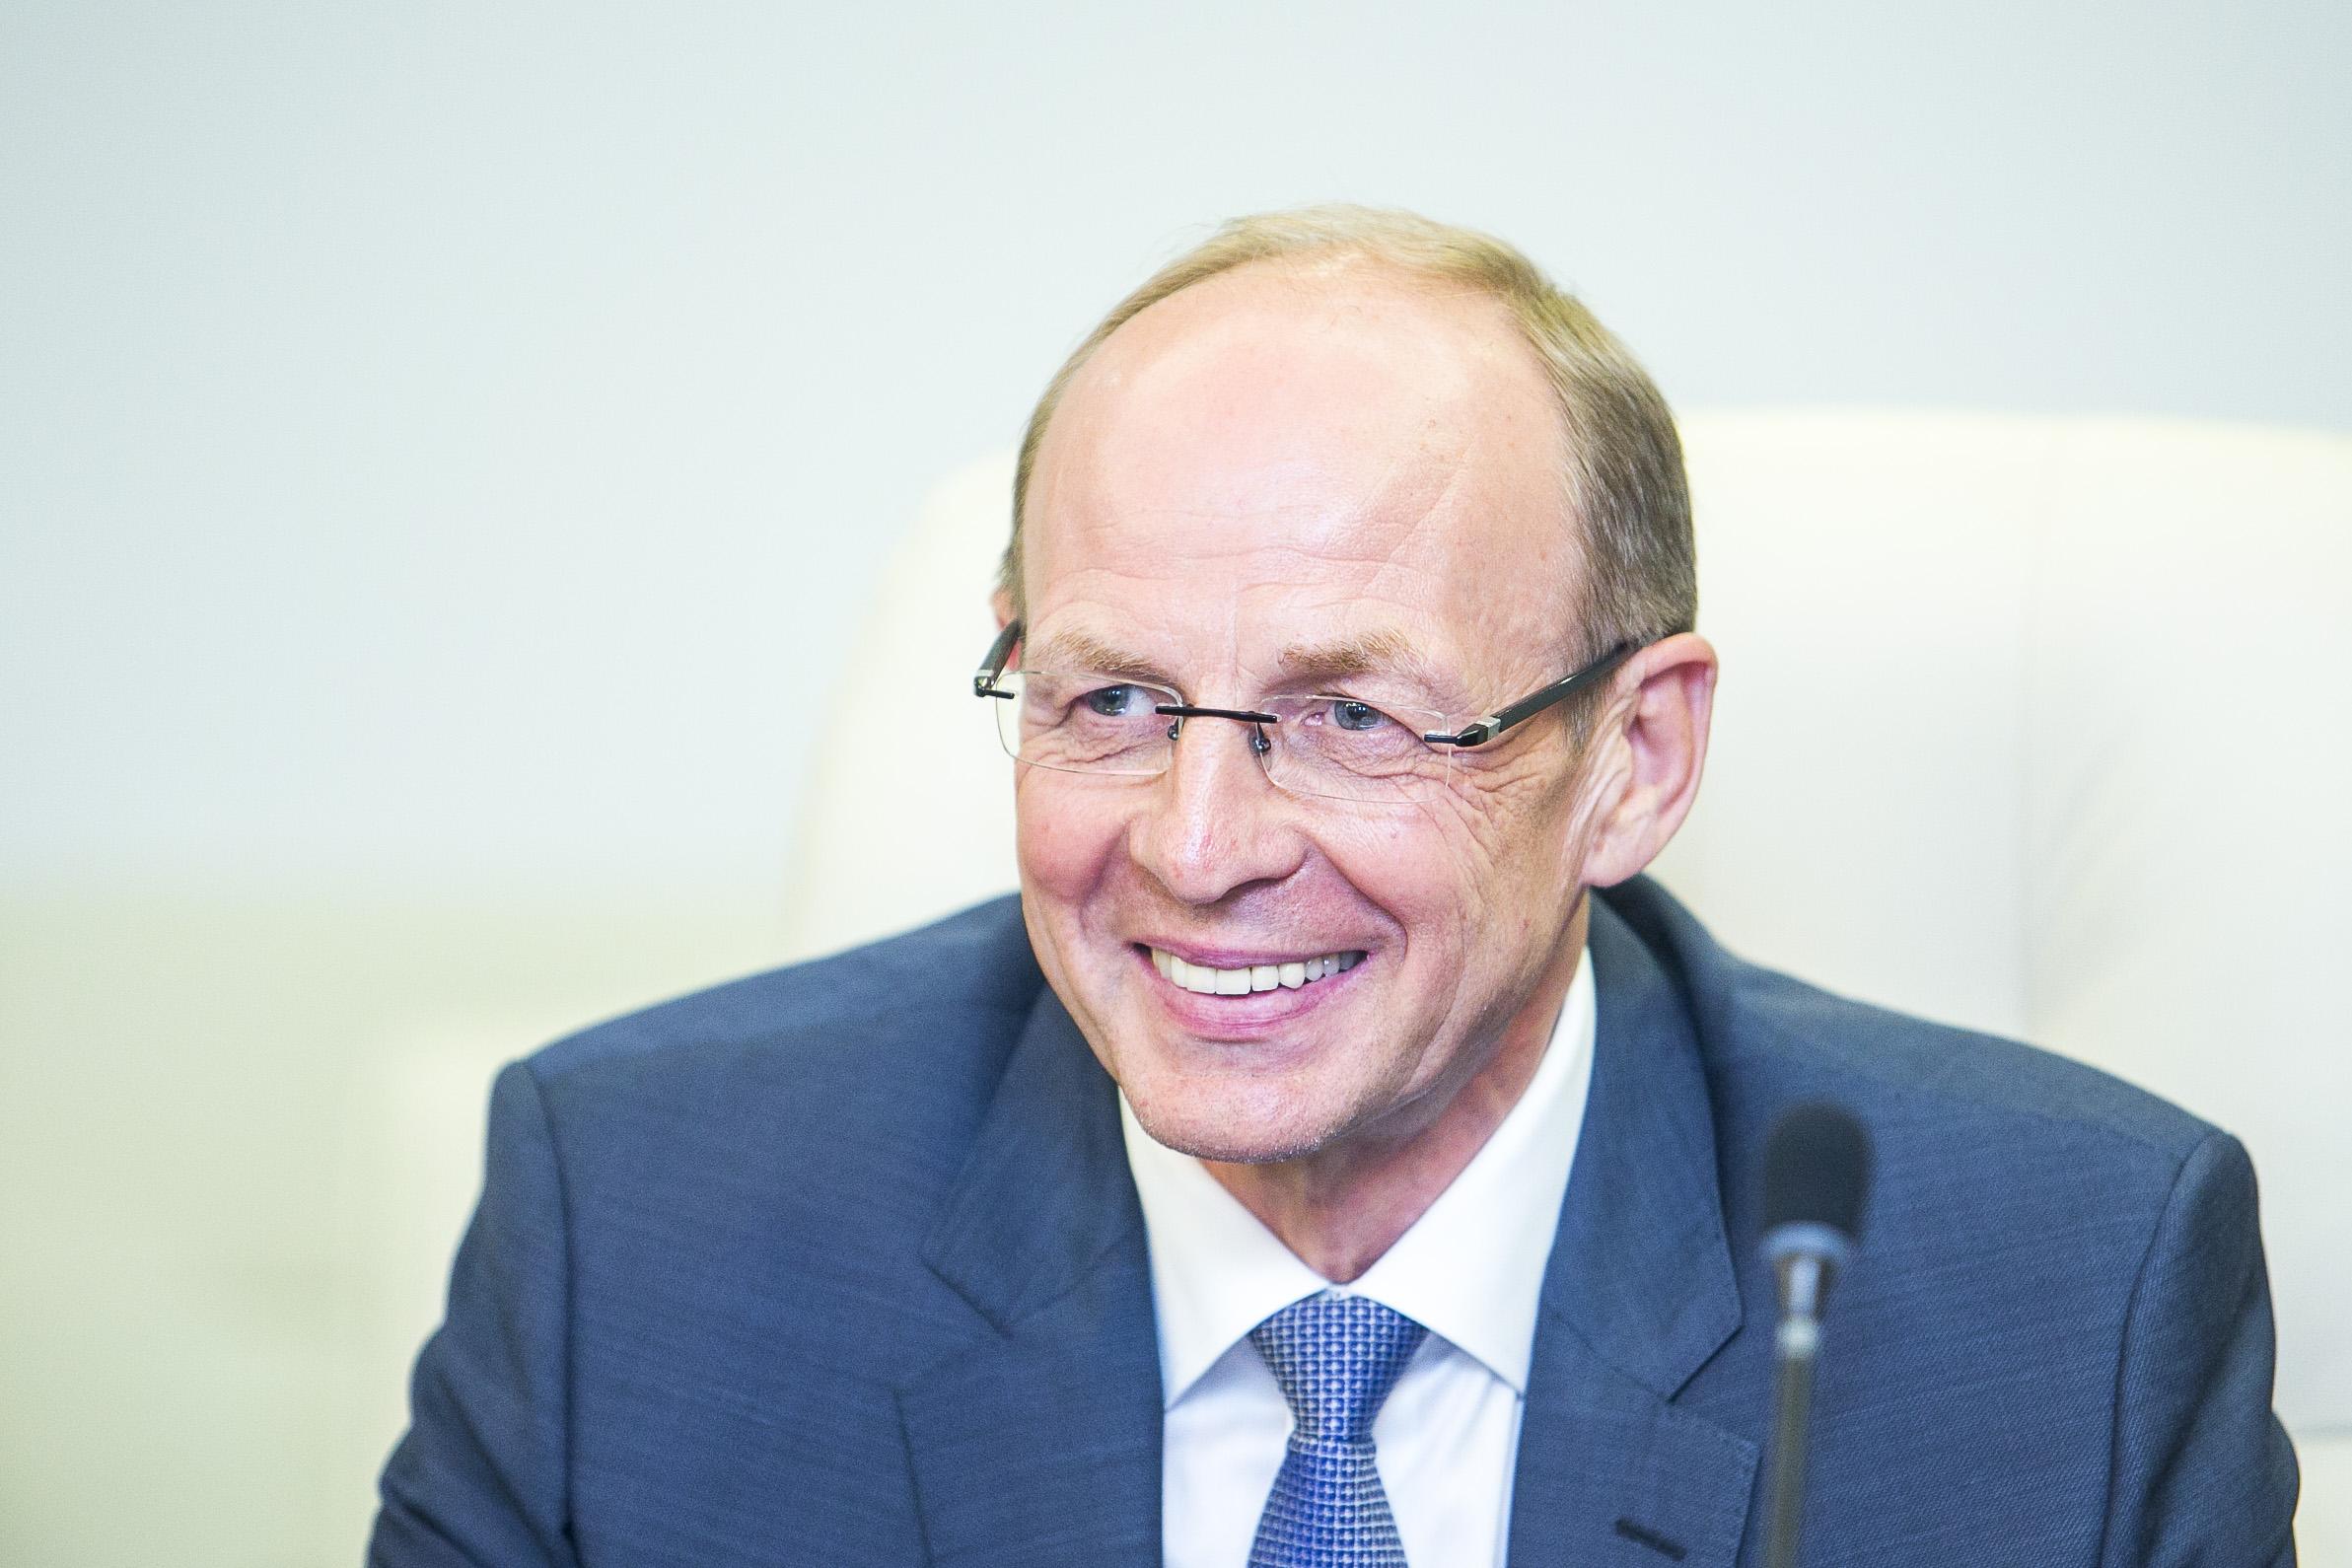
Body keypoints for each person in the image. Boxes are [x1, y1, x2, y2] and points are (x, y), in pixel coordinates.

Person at [371, 207, 2300, 1566]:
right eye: (1110, 701)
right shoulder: (638, 1233)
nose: (1196, 848)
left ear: (1631, 760)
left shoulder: (2074, 1301)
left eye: (1351, 717)